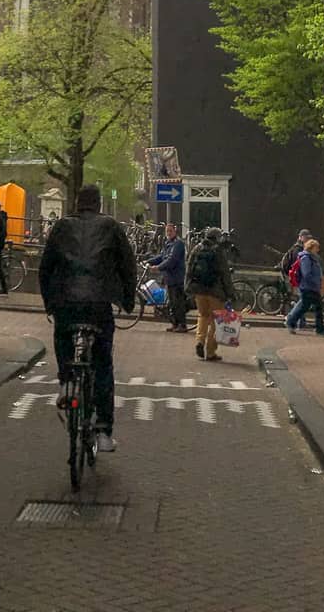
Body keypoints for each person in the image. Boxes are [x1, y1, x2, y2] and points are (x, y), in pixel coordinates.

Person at [39, 183, 137, 452]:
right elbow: (128, 266)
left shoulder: (61, 226)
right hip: (98, 303)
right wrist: (127, 300)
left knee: (62, 336)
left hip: (66, 301)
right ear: (99, 204)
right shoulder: (112, 227)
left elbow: (45, 267)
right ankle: (104, 432)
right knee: (103, 363)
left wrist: (49, 302)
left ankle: (67, 382)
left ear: (76, 203)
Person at [187, 226, 238, 361]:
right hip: (215, 292)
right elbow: (225, 274)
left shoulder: (197, 248)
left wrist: (188, 286)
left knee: (203, 316)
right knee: (216, 321)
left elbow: (189, 267)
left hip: (199, 290)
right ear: (217, 238)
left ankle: (199, 341)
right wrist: (231, 293)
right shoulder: (218, 251)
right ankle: (210, 352)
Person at [147, 222, 187, 332]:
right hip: (169, 278)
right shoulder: (168, 243)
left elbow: (171, 260)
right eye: (167, 231)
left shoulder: (178, 244)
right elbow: (162, 256)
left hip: (176, 277)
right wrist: (149, 261)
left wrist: (158, 268)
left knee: (178, 302)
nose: (168, 233)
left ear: (175, 231)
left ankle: (182, 325)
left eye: (170, 231)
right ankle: (175, 323)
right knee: (172, 303)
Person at [286, 239, 324, 335]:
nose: (318, 249)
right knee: (305, 306)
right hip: (308, 287)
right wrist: (314, 282)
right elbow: (306, 273)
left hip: (312, 287)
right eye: (317, 247)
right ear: (311, 248)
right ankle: (290, 321)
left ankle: (319, 328)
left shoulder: (311, 258)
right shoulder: (306, 258)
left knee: (313, 306)